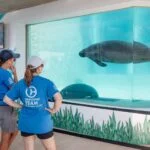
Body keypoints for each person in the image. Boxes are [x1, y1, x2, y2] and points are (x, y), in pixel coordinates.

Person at [4, 56, 62, 150]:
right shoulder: (46, 82)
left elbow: (6, 99)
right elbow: (59, 98)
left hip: (26, 122)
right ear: (38, 68)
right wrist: (54, 109)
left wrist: (20, 106)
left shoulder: (20, 84)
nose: (42, 67)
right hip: (42, 122)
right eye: (42, 65)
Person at [0, 49, 20, 150]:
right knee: (5, 137)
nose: (14, 62)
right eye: (13, 59)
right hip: (5, 107)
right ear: (8, 61)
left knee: (15, 130)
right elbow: (16, 90)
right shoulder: (5, 74)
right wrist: (15, 74)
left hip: (3, 107)